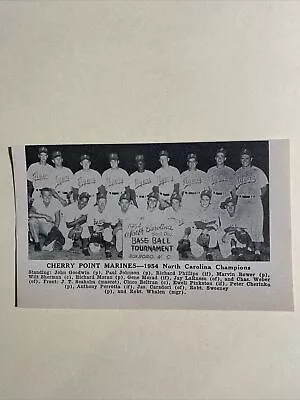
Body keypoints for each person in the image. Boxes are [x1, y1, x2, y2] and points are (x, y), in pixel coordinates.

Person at [234, 148, 269, 260]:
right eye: (242, 158)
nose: (245, 160)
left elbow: (264, 188)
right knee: (240, 225)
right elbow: (234, 190)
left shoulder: (257, 171)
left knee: (257, 225)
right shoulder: (237, 172)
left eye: (247, 158)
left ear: (251, 159)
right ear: (240, 160)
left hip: (254, 200)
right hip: (241, 200)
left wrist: (256, 197)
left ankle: (257, 252)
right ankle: (241, 253)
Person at [186, 189, 219, 260]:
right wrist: (208, 225)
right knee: (197, 253)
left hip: (209, 232)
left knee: (213, 234)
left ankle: (209, 251)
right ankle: (203, 247)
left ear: (210, 201)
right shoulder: (196, 209)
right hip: (197, 231)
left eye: (207, 200)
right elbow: (197, 223)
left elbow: (215, 224)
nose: (204, 202)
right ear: (200, 200)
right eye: (203, 199)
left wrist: (207, 228)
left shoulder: (213, 210)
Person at [28, 187, 64, 252]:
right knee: (32, 220)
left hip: (50, 226)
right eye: (45, 195)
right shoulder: (37, 201)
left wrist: (54, 232)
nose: (47, 197)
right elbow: (30, 213)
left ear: (51, 195)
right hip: (39, 224)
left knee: (58, 245)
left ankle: (53, 241)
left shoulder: (55, 202)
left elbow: (57, 219)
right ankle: (37, 243)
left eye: (49, 195)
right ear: (41, 196)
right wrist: (44, 216)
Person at [87, 186, 115, 258]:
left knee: (108, 231)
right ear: (97, 202)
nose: (102, 204)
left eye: (104, 202)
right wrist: (93, 234)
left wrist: (102, 227)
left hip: (103, 227)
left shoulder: (108, 210)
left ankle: (107, 249)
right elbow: (89, 224)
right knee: (95, 250)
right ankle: (98, 241)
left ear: (106, 202)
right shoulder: (92, 210)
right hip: (94, 228)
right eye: (100, 202)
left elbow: (109, 223)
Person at [111, 191, 141, 258]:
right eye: (122, 202)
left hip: (134, 229)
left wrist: (119, 226)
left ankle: (131, 248)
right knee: (119, 232)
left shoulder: (134, 209)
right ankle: (121, 250)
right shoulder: (116, 210)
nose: (124, 205)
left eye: (126, 203)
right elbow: (113, 225)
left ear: (130, 203)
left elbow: (135, 225)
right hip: (123, 228)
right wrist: (118, 226)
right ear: (119, 203)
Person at [180, 153, 210, 217]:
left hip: (198, 197)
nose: (192, 164)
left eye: (194, 162)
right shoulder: (183, 174)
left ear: (196, 163)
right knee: (187, 217)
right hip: (187, 198)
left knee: (198, 217)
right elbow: (180, 191)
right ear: (187, 163)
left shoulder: (203, 174)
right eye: (190, 162)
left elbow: (207, 189)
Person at [164, 193, 191, 259]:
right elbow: (163, 224)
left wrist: (186, 236)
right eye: (173, 202)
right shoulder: (167, 210)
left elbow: (188, 227)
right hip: (170, 234)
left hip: (181, 235)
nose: (174, 204)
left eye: (176, 202)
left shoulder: (185, 211)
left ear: (180, 203)